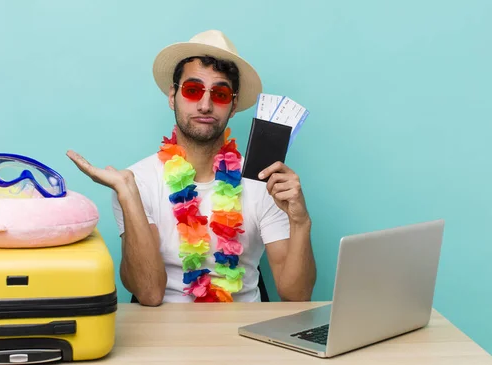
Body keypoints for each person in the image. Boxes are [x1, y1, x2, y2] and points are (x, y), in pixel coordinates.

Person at [67, 30, 316, 306]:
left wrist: (301, 221)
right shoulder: (137, 181)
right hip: (163, 337)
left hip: (243, 337)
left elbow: (297, 296)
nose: (205, 105)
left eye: (220, 94)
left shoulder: (263, 180)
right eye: (193, 90)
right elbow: (149, 292)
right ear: (173, 96)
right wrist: (128, 193)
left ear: (233, 106)